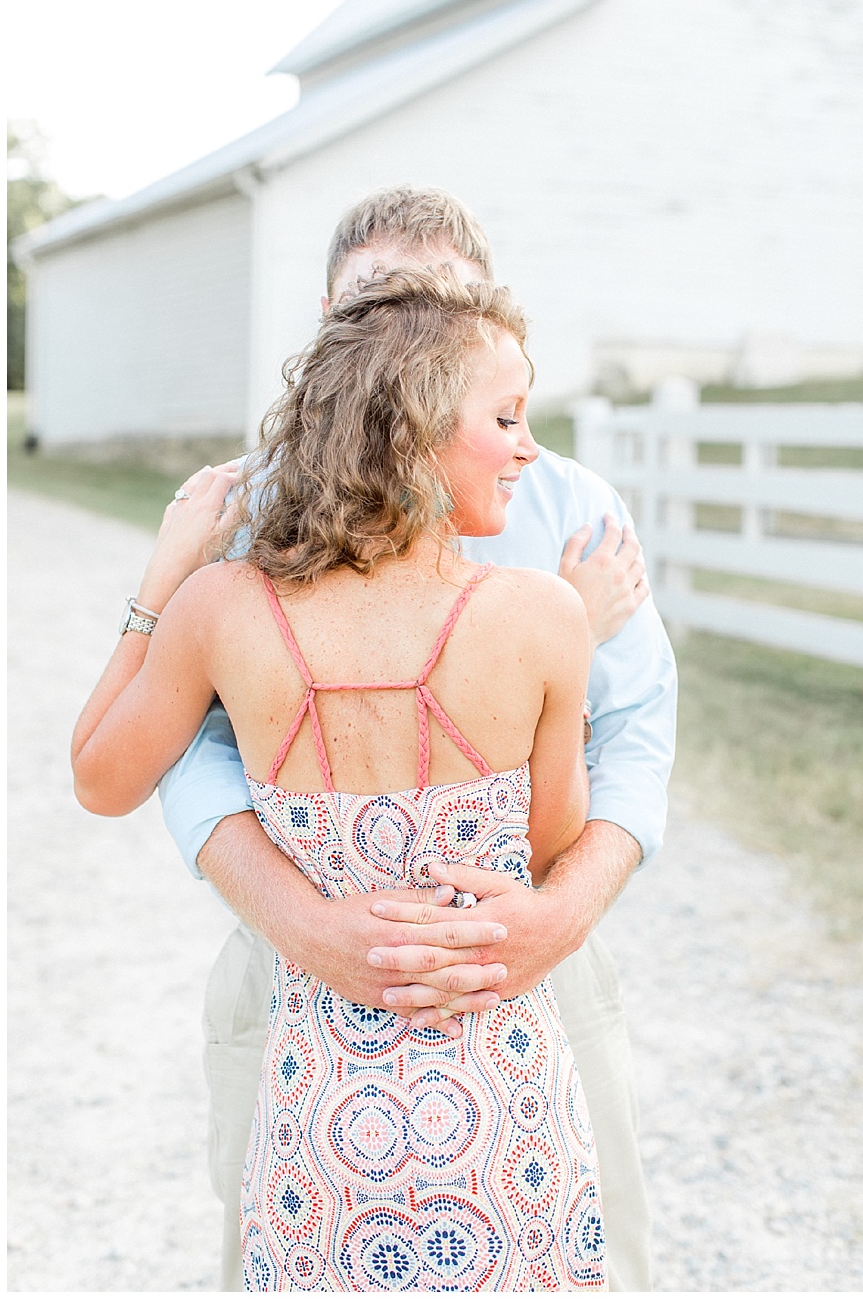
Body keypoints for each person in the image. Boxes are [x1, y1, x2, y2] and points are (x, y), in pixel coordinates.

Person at [154, 188, 672, 1289]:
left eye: (431, 302)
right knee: (284, 1255)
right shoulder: (247, 519)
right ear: (326, 320)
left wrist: (553, 918)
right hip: (295, 969)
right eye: (369, 304)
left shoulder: (566, 505)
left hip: (533, 971)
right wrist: (306, 926)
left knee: (594, 1254)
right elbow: (186, 745)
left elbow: (638, 732)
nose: (400, 331)